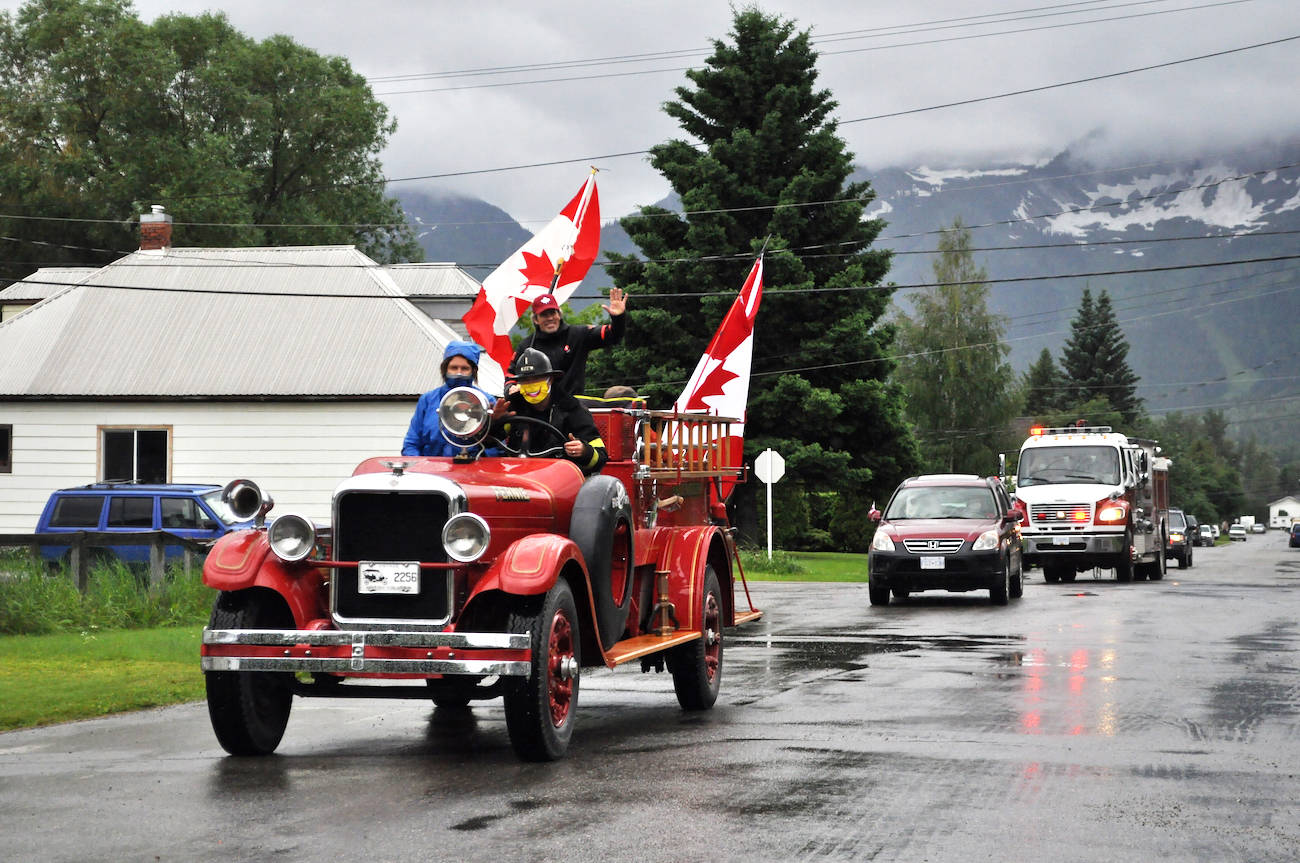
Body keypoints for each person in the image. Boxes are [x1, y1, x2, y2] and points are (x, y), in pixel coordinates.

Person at [491, 348, 607, 475]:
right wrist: (495, 422)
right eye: (525, 380)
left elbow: (601, 457)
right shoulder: (514, 406)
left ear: (550, 379)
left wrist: (584, 451)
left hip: (561, 479)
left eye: (536, 379)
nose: (531, 384)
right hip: (518, 476)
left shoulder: (572, 408)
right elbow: (488, 443)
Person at [510, 287, 627, 397]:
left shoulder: (578, 334)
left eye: (552, 313)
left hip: (573, 409)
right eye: (544, 315)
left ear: (559, 315)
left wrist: (618, 318)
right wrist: (511, 389)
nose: (550, 318)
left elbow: (613, 336)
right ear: (535, 319)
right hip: (537, 409)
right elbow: (510, 377)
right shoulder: (526, 346)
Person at [402, 340, 498, 457]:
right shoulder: (427, 400)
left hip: (472, 472)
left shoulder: (486, 401)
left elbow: (496, 448)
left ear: (473, 371)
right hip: (432, 471)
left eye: (464, 368)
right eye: (454, 367)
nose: (459, 373)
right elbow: (411, 444)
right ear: (445, 369)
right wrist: (420, 468)